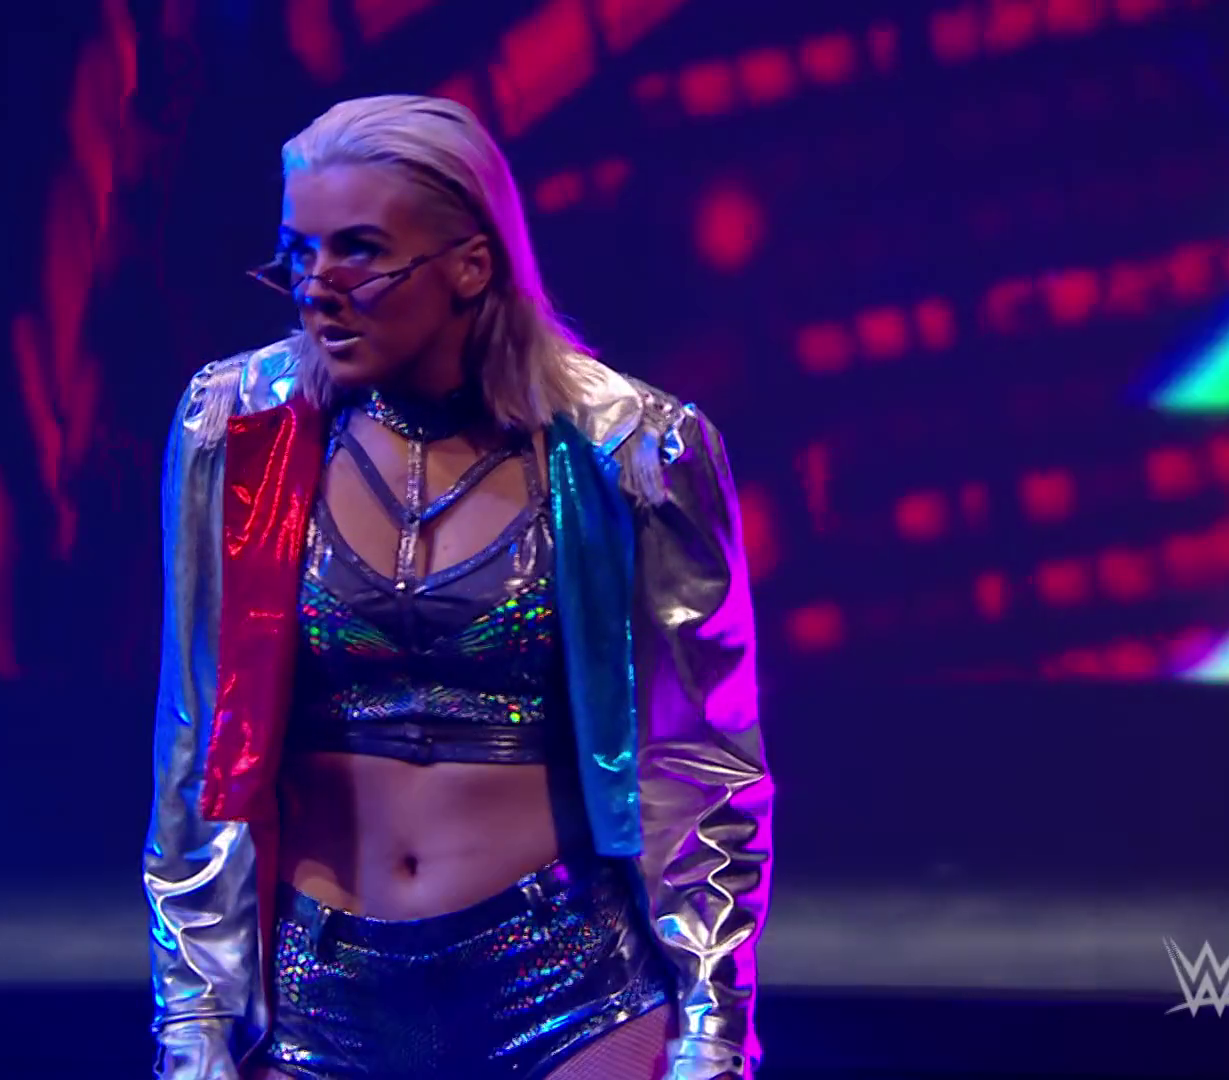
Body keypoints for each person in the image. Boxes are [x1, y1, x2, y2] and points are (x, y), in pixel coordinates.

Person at [143, 94, 772, 1080]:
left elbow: (699, 762)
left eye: (359, 252)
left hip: (570, 989)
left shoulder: (634, 451)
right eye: (298, 255)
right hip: (320, 997)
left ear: (472, 265)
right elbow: (198, 745)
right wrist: (195, 1017)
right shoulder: (237, 431)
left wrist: (713, 1026)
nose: (317, 289)